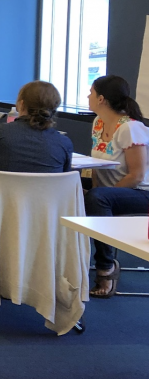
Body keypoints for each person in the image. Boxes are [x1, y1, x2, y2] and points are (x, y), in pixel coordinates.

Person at [82, 75, 149, 298]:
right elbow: (97, 168)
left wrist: (102, 194)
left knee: (98, 198)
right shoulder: (98, 123)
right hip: (110, 192)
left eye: (91, 92)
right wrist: (94, 191)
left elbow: (137, 175)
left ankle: (106, 266)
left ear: (101, 99)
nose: (88, 96)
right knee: (74, 190)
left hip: (140, 193)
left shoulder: (131, 128)